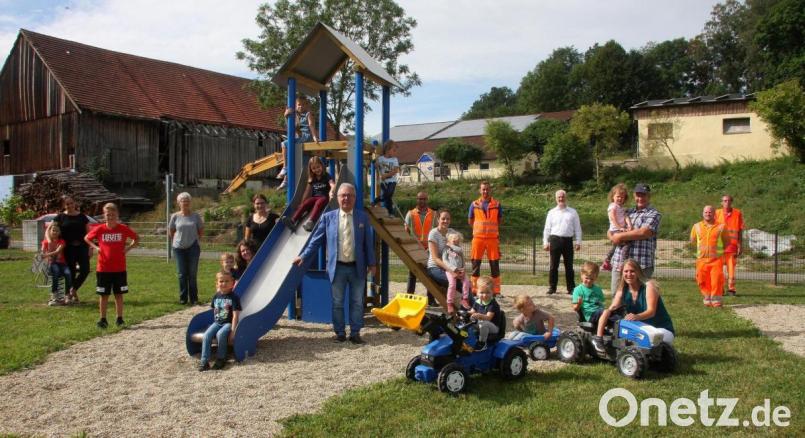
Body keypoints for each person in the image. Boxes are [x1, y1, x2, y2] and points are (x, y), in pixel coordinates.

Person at [294, 183, 377, 344]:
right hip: (337, 267)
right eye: (343, 195)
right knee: (337, 302)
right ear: (337, 198)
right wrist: (303, 255)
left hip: (357, 267)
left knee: (357, 302)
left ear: (355, 198)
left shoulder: (362, 217)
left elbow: (368, 243)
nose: (346, 198)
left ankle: (355, 333)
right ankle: (339, 332)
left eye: (350, 195)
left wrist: (372, 263)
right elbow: (316, 240)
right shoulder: (328, 218)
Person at [592, 259, 675, 353]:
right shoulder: (623, 289)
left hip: (659, 329)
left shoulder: (649, 286)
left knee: (649, 343)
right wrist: (605, 315)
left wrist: (637, 316)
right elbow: (612, 307)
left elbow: (651, 312)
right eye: (626, 271)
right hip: (641, 330)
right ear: (622, 273)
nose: (629, 274)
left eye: (632, 271)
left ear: (638, 272)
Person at [84, 203, 139, 329]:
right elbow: (87, 238)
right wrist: (96, 247)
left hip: (119, 268)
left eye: (113, 214)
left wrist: (127, 249)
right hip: (103, 268)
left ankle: (119, 318)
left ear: (117, 215)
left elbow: (136, 238)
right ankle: (102, 319)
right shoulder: (100, 229)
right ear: (104, 215)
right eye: (108, 214)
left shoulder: (123, 228)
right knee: (104, 295)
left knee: (118, 294)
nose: (110, 217)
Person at [609, 183, 661, 294]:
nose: (640, 198)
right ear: (634, 196)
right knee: (617, 295)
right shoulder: (627, 212)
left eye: (643, 195)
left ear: (649, 196)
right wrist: (612, 237)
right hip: (620, 263)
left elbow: (644, 232)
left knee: (639, 298)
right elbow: (610, 230)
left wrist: (619, 236)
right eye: (638, 195)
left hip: (641, 264)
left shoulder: (654, 213)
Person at [199, 271, 241, 371]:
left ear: (232, 283)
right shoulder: (216, 296)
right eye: (221, 281)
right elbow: (215, 310)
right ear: (217, 283)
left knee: (220, 334)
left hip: (228, 323)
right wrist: (213, 325)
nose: (224, 283)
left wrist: (233, 331)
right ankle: (204, 361)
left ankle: (221, 358)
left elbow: (235, 316)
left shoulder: (234, 298)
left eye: (227, 281)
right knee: (206, 335)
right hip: (217, 322)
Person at [543, 189, 582, 294]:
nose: (561, 198)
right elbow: (547, 228)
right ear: (556, 199)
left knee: (569, 266)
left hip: (568, 241)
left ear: (566, 198)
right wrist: (545, 242)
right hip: (554, 240)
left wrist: (578, 242)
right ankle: (552, 287)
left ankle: (571, 288)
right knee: (553, 266)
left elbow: (577, 228)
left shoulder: (573, 212)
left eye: (562, 196)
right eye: (559, 197)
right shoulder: (551, 213)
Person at [54, 195, 91, 304]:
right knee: (71, 272)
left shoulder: (82, 217)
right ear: (63, 206)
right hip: (68, 248)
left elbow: (89, 233)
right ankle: (68, 295)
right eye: (67, 204)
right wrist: (48, 240)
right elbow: (51, 229)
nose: (69, 205)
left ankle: (73, 289)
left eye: (71, 203)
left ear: (75, 203)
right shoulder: (60, 217)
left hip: (82, 247)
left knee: (85, 270)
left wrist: (90, 247)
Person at [281, 156, 335, 232]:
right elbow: (307, 191)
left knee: (318, 203)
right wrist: (302, 202)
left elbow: (332, 184)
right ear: (311, 169)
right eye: (314, 168)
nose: (316, 170)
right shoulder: (312, 178)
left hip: (324, 197)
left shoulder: (326, 175)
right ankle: (293, 221)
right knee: (306, 203)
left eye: (318, 167)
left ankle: (311, 222)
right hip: (315, 197)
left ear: (322, 166)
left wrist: (331, 191)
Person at [690, 205, 730, 307]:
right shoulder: (696, 226)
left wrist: (718, 252)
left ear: (714, 214)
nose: (708, 214)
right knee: (702, 280)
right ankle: (707, 298)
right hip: (701, 259)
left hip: (716, 259)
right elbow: (693, 241)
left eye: (710, 212)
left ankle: (716, 300)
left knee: (716, 280)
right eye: (706, 212)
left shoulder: (722, 227)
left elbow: (726, 242)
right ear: (703, 213)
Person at [169, 192, 204, 305]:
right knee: (182, 274)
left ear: (190, 202)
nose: (185, 203)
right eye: (183, 201)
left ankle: (194, 298)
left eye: (187, 200)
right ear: (179, 203)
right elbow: (171, 231)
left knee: (192, 274)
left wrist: (196, 240)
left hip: (193, 247)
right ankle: (183, 298)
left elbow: (200, 230)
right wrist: (176, 241)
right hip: (179, 248)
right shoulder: (175, 216)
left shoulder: (196, 216)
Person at [468, 181, 502, 295]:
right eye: (483, 189)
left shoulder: (497, 204)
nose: (485, 191)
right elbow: (470, 220)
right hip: (478, 239)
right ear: (480, 190)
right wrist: (479, 229)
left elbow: (499, 220)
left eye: (487, 189)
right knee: (475, 265)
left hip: (492, 239)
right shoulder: (474, 204)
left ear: (490, 190)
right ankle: (474, 289)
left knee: (494, 265)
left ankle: (496, 291)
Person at [277, 96, 319, 189]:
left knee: (284, 144)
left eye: (303, 104)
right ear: (296, 106)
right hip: (300, 137)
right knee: (292, 154)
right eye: (299, 105)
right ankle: (286, 179)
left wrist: (315, 137)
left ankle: (285, 167)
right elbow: (291, 128)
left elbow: (311, 126)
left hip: (307, 136)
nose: (301, 106)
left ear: (307, 105)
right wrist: (286, 116)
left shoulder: (308, 114)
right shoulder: (296, 116)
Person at [426, 209, 463, 305]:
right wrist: (451, 270)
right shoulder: (433, 233)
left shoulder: (452, 232)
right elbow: (435, 258)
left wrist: (460, 269)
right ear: (438, 219)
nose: (446, 221)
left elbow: (457, 253)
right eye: (443, 218)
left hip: (449, 266)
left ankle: (475, 305)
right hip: (435, 267)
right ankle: (459, 305)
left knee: (465, 280)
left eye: (448, 219)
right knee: (456, 282)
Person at [404, 191, 436, 293]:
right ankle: (410, 295)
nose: (422, 201)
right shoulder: (410, 214)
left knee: (430, 274)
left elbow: (436, 231)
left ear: (427, 200)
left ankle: (431, 299)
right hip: (415, 248)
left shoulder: (434, 214)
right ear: (417, 200)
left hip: (429, 249)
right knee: (412, 273)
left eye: (424, 199)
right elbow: (406, 232)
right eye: (420, 199)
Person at [715, 194, 745, 296]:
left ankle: (731, 289)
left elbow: (740, 230)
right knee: (718, 270)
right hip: (719, 247)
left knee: (731, 270)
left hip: (732, 246)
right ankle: (720, 289)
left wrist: (740, 245)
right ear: (721, 202)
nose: (726, 203)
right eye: (724, 201)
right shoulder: (717, 213)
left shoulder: (737, 213)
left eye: (728, 201)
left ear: (731, 202)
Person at [602, 183, 633, 271]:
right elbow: (612, 217)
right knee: (626, 245)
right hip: (616, 230)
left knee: (615, 246)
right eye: (618, 196)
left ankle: (607, 261)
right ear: (613, 197)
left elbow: (626, 217)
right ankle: (622, 264)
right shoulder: (613, 206)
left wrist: (630, 225)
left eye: (622, 197)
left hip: (620, 230)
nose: (620, 198)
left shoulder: (621, 208)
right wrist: (620, 227)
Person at [41, 222, 71, 306]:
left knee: (68, 274)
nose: (55, 232)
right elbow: (42, 251)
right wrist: (43, 253)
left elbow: (57, 251)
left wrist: (46, 254)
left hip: (62, 263)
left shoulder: (61, 241)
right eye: (53, 230)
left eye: (57, 231)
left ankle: (67, 295)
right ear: (50, 231)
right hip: (52, 263)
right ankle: (54, 295)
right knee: (56, 272)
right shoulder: (46, 242)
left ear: (59, 233)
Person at [442, 231, 471, 314]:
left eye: (457, 238)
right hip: (450, 271)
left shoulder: (460, 250)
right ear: (449, 240)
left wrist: (463, 269)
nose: (455, 239)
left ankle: (465, 299)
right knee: (452, 284)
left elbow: (463, 260)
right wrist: (453, 269)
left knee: (466, 282)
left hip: (460, 270)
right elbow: (445, 260)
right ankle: (449, 303)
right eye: (453, 238)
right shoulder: (447, 249)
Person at [468, 276, 500, 351]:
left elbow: (488, 318)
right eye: (482, 292)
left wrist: (479, 315)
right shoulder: (477, 301)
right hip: (481, 324)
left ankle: (482, 343)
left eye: (488, 292)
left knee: (484, 324)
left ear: (492, 292)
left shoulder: (492, 304)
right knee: (467, 321)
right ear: (477, 292)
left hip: (493, 327)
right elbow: (472, 311)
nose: (485, 295)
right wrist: (465, 312)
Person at [375, 139, 400, 216]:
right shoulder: (381, 159)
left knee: (389, 194)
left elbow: (395, 171)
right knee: (388, 198)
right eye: (394, 150)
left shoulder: (395, 159)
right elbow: (376, 165)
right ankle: (390, 212)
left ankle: (378, 199)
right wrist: (375, 164)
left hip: (392, 181)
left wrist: (386, 175)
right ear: (387, 150)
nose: (395, 152)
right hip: (384, 182)